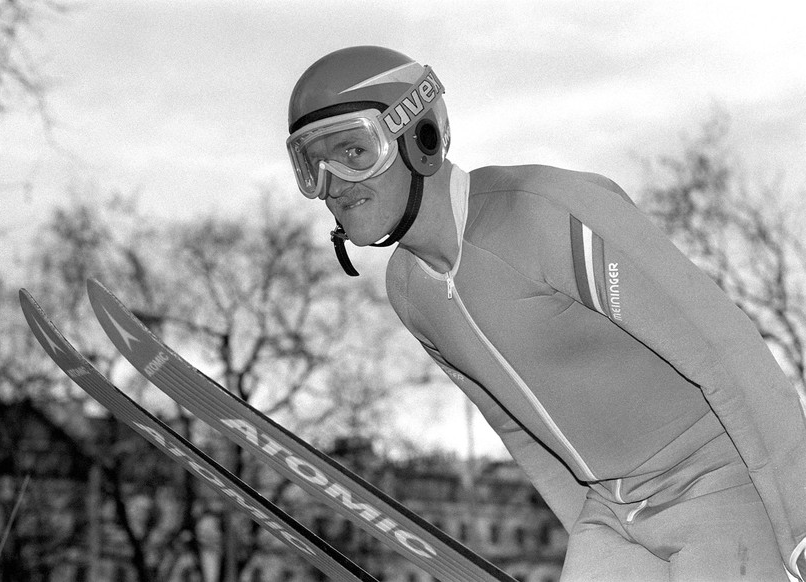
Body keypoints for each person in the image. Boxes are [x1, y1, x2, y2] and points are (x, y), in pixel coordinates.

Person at [285, 45, 806, 581]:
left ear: (421, 137)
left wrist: (801, 522)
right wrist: (580, 523)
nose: (333, 185)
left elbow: (725, 348)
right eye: (311, 165)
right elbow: (519, 431)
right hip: (611, 514)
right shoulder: (411, 290)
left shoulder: (543, 211)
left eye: (354, 152)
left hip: (719, 487)